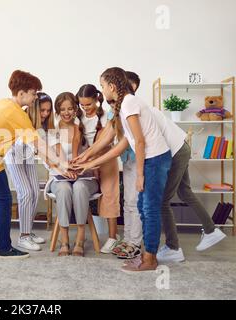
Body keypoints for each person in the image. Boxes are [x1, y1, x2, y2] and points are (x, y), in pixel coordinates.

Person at [0, 70, 73, 260]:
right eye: (33, 93)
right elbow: (38, 143)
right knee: (4, 200)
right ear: (21, 93)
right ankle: (4, 248)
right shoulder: (17, 113)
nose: (34, 97)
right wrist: (62, 163)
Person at [73, 67, 172, 272]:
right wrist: (88, 160)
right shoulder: (123, 105)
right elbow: (121, 144)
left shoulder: (128, 103)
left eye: (102, 85)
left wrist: (140, 174)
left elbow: (141, 142)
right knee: (145, 210)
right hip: (151, 159)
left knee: (149, 210)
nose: (101, 90)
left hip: (155, 159)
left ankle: (150, 259)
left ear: (111, 86)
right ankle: (147, 254)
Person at [50, 92, 99, 257]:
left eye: (70, 108)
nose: (66, 112)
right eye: (62, 109)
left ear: (76, 109)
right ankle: (64, 240)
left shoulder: (82, 127)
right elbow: (59, 156)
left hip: (85, 176)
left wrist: (78, 167)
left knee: (79, 187)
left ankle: (80, 238)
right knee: (64, 189)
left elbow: (87, 155)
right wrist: (66, 168)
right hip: (60, 176)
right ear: (57, 110)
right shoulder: (53, 130)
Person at [4, 92, 55, 251]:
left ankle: (29, 231)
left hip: (27, 157)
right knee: (25, 192)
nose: (46, 114)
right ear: (34, 108)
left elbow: (45, 150)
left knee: (35, 191)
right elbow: (39, 150)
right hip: (13, 155)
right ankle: (23, 237)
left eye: (48, 110)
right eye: (43, 110)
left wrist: (55, 165)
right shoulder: (23, 119)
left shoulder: (42, 126)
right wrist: (55, 167)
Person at [76, 84, 120, 254]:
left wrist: (92, 160)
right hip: (87, 160)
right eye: (82, 105)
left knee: (110, 195)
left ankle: (112, 238)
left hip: (106, 159)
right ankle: (82, 236)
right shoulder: (78, 117)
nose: (85, 108)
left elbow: (106, 142)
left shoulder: (106, 116)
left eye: (88, 104)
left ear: (96, 99)